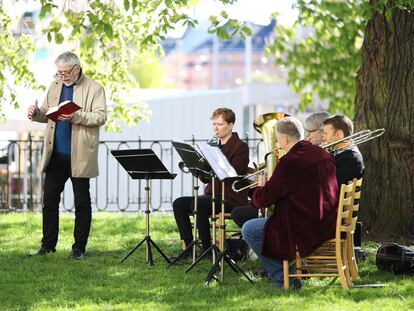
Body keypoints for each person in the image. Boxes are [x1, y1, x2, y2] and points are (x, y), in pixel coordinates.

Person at [241, 116, 339, 288]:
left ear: (285, 139)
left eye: (277, 140)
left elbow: (264, 199)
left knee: (249, 229)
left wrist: (254, 191)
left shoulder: (290, 161)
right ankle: (290, 270)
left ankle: (284, 278)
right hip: (328, 220)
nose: (277, 144)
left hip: (306, 225)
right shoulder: (321, 152)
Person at [27, 51, 107, 260]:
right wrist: (36, 113)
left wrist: (76, 116)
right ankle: (47, 246)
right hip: (56, 154)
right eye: (59, 72)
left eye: (64, 72)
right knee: (49, 201)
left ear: (76, 69)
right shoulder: (55, 86)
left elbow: (100, 117)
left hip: (79, 155)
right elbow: (47, 113)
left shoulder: (95, 88)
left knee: (81, 203)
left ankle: (78, 248)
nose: (61, 76)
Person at [173, 108, 249, 256]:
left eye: (219, 124)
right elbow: (206, 178)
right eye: (214, 124)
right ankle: (190, 248)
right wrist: (198, 167)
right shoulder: (213, 146)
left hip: (231, 198)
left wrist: (215, 161)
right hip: (213, 195)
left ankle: (207, 249)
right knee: (179, 203)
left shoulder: (240, 146)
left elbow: (235, 173)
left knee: (198, 204)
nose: (215, 127)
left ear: (231, 125)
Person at [322, 115, 365, 187]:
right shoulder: (338, 151)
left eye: (326, 133)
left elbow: (331, 185)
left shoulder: (351, 158)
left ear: (338, 134)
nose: (323, 137)